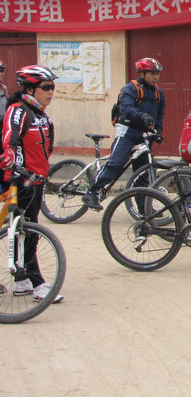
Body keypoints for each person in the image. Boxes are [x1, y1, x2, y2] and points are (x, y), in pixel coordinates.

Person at [0, 65, 63, 303]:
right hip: (19, 180)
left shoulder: (41, 114)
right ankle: (37, 284)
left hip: (36, 180)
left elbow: (46, 147)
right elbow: (10, 135)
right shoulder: (18, 110)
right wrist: (9, 154)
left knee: (23, 230)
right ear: (29, 89)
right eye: (46, 87)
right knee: (28, 231)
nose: (51, 92)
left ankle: (21, 281)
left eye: (52, 87)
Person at [83, 58, 166, 211]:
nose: (156, 77)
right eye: (152, 73)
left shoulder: (158, 92)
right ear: (141, 73)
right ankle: (92, 192)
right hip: (128, 131)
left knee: (142, 173)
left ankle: (143, 209)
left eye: (157, 73)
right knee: (116, 162)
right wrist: (142, 116)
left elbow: (160, 114)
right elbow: (126, 108)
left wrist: (158, 131)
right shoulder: (130, 89)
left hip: (145, 134)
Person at [0, 59, 9, 130]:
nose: (3, 73)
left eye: (3, 70)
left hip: (3, 124)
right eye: (1, 70)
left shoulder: (4, 88)